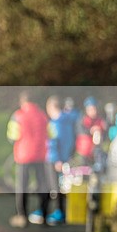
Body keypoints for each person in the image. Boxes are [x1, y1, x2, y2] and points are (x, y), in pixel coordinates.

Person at [7, 91, 49, 227]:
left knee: (22, 185)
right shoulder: (43, 115)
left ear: (22, 101)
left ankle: (22, 215)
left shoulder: (18, 116)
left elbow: (12, 136)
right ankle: (44, 214)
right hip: (40, 154)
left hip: (23, 155)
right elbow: (51, 133)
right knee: (42, 184)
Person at [44, 95, 75, 225]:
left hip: (54, 159)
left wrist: (57, 160)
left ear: (51, 108)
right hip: (65, 158)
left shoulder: (54, 124)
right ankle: (62, 211)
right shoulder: (68, 121)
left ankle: (58, 212)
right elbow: (71, 140)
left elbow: (52, 143)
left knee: (54, 186)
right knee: (63, 186)